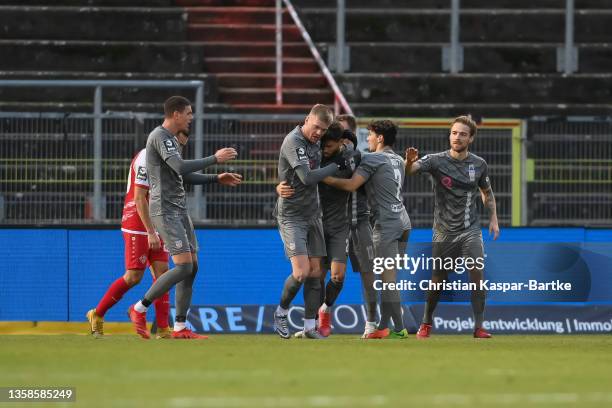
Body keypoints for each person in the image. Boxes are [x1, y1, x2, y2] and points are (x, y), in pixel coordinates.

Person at [128, 96, 242, 339]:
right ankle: (139, 308)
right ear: (176, 114)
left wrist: (215, 177)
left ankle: (180, 326)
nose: (191, 118)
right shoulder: (159, 136)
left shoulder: (170, 140)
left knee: (192, 268)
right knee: (183, 266)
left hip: (179, 210)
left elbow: (182, 176)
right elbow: (180, 167)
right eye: (189, 113)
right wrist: (214, 159)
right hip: (165, 210)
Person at [85, 133, 190, 339]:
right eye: (177, 143)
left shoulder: (170, 159)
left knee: (163, 274)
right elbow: (139, 196)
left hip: (158, 220)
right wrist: (150, 230)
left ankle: (163, 329)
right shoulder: (146, 157)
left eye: (183, 146)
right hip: (137, 220)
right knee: (134, 276)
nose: (178, 149)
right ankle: (97, 314)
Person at [405, 115, 499, 339]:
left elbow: (487, 193)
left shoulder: (479, 164)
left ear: (471, 138)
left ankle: (479, 326)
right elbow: (411, 170)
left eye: (463, 134)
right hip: (443, 230)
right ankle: (426, 322)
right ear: (450, 135)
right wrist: (409, 161)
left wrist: (494, 218)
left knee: (477, 274)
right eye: (454, 133)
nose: (457, 137)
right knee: (438, 277)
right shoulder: (436, 160)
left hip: (470, 229)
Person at [322, 120, 411, 339]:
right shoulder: (398, 159)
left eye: (369, 135)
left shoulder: (371, 159)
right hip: (403, 221)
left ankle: (392, 328)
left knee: (385, 279)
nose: (367, 139)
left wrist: (324, 177)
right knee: (389, 277)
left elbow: (352, 185)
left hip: (386, 224)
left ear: (380, 138)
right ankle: (392, 326)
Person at [272, 104, 347, 340]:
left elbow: (346, 133)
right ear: (307, 120)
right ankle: (281, 312)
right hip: (292, 216)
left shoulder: (317, 141)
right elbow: (306, 177)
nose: (318, 133)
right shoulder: (294, 141)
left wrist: (349, 147)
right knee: (302, 272)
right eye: (316, 127)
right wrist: (337, 165)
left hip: (313, 215)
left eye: (323, 130)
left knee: (316, 273)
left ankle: (308, 327)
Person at [337, 115, 378, 338]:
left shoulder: (364, 160)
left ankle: (371, 323)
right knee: (323, 273)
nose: (340, 138)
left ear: (352, 136)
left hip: (360, 223)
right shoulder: (324, 159)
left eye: (344, 133)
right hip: (333, 225)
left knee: (368, 274)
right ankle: (314, 321)